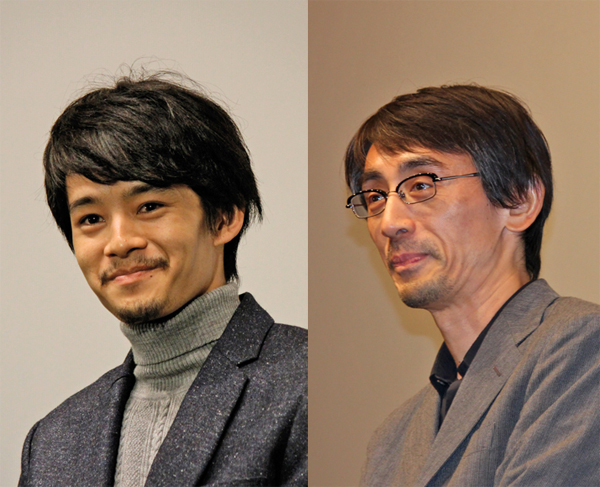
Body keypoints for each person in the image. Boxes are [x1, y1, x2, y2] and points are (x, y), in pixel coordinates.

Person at [19, 73, 307, 486]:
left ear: (224, 217)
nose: (120, 243)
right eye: (92, 218)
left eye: (149, 206)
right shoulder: (52, 441)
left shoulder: (306, 384)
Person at [345, 85, 600, 486]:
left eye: (421, 185)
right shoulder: (391, 440)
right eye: (375, 196)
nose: (389, 222)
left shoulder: (582, 349)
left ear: (519, 201)